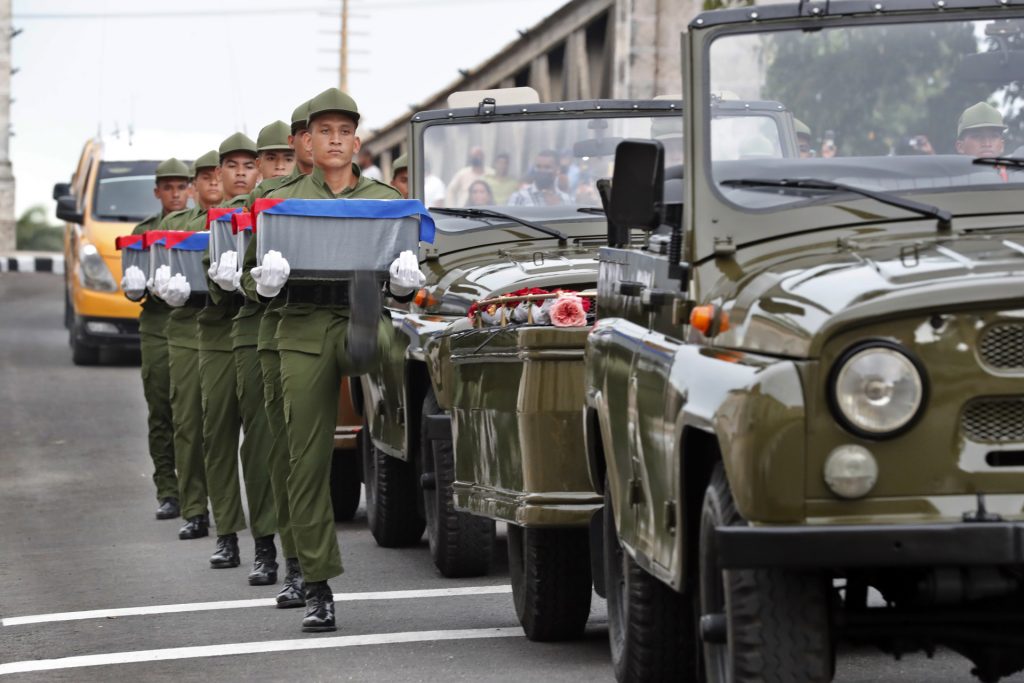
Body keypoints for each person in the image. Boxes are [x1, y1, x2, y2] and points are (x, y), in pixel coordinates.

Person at [250, 87, 418, 633]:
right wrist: (264, 283)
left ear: (357, 142)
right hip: (300, 324)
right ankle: (317, 584)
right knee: (305, 461)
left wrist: (403, 285)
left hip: (357, 315)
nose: (336, 140)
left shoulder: (383, 198)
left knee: (382, 339)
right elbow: (251, 274)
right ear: (308, 140)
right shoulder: (281, 198)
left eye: (345, 131)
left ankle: (368, 329)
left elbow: (415, 259)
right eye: (325, 131)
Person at [236, 100, 315, 611]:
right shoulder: (264, 201)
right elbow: (243, 274)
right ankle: (274, 550)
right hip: (267, 328)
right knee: (272, 449)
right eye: (274, 157)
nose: (283, 164)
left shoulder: (349, 192)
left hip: (331, 328)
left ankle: (304, 562)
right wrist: (251, 282)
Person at [191, 133, 271, 570]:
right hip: (218, 334)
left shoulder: (266, 212)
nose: (240, 174)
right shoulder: (215, 220)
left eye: (248, 165)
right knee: (218, 433)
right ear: (217, 173)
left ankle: (265, 541)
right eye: (232, 166)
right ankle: (225, 533)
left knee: (259, 442)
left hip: (258, 330)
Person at [120, 158, 191, 522]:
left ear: (190, 190)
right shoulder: (144, 231)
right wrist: (133, 289)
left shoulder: (199, 226)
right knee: (160, 406)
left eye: (181, 187)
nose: (175, 194)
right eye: (168, 188)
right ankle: (167, 490)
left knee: (192, 412)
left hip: (191, 319)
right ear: (157, 191)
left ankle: (195, 491)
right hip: (158, 321)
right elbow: (132, 284)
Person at [157, 150, 222, 542]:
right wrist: (162, 285)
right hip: (188, 326)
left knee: (236, 429)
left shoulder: (247, 215)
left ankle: (246, 512)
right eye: (205, 176)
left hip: (230, 325)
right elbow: (161, 271)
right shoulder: (177, 224)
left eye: (219, 174)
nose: (214, 181)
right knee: (189, 423)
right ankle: (195, 508)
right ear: (194, 185)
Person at [507, 150, 571, 206]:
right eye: (538, 167)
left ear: (558, 170)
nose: (542, 171)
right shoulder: (520, 197)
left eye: (547, 167)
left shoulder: (566, 200)